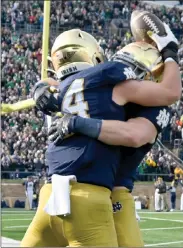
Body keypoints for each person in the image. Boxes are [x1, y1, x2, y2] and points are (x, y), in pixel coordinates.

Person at [29, 24, 180, 247]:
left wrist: (79, 123)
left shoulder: (149, 107)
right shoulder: (104, 90)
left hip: (112, 199)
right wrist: (39, 87)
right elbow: (64, 84)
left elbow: (134, 134)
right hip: (85, 194)